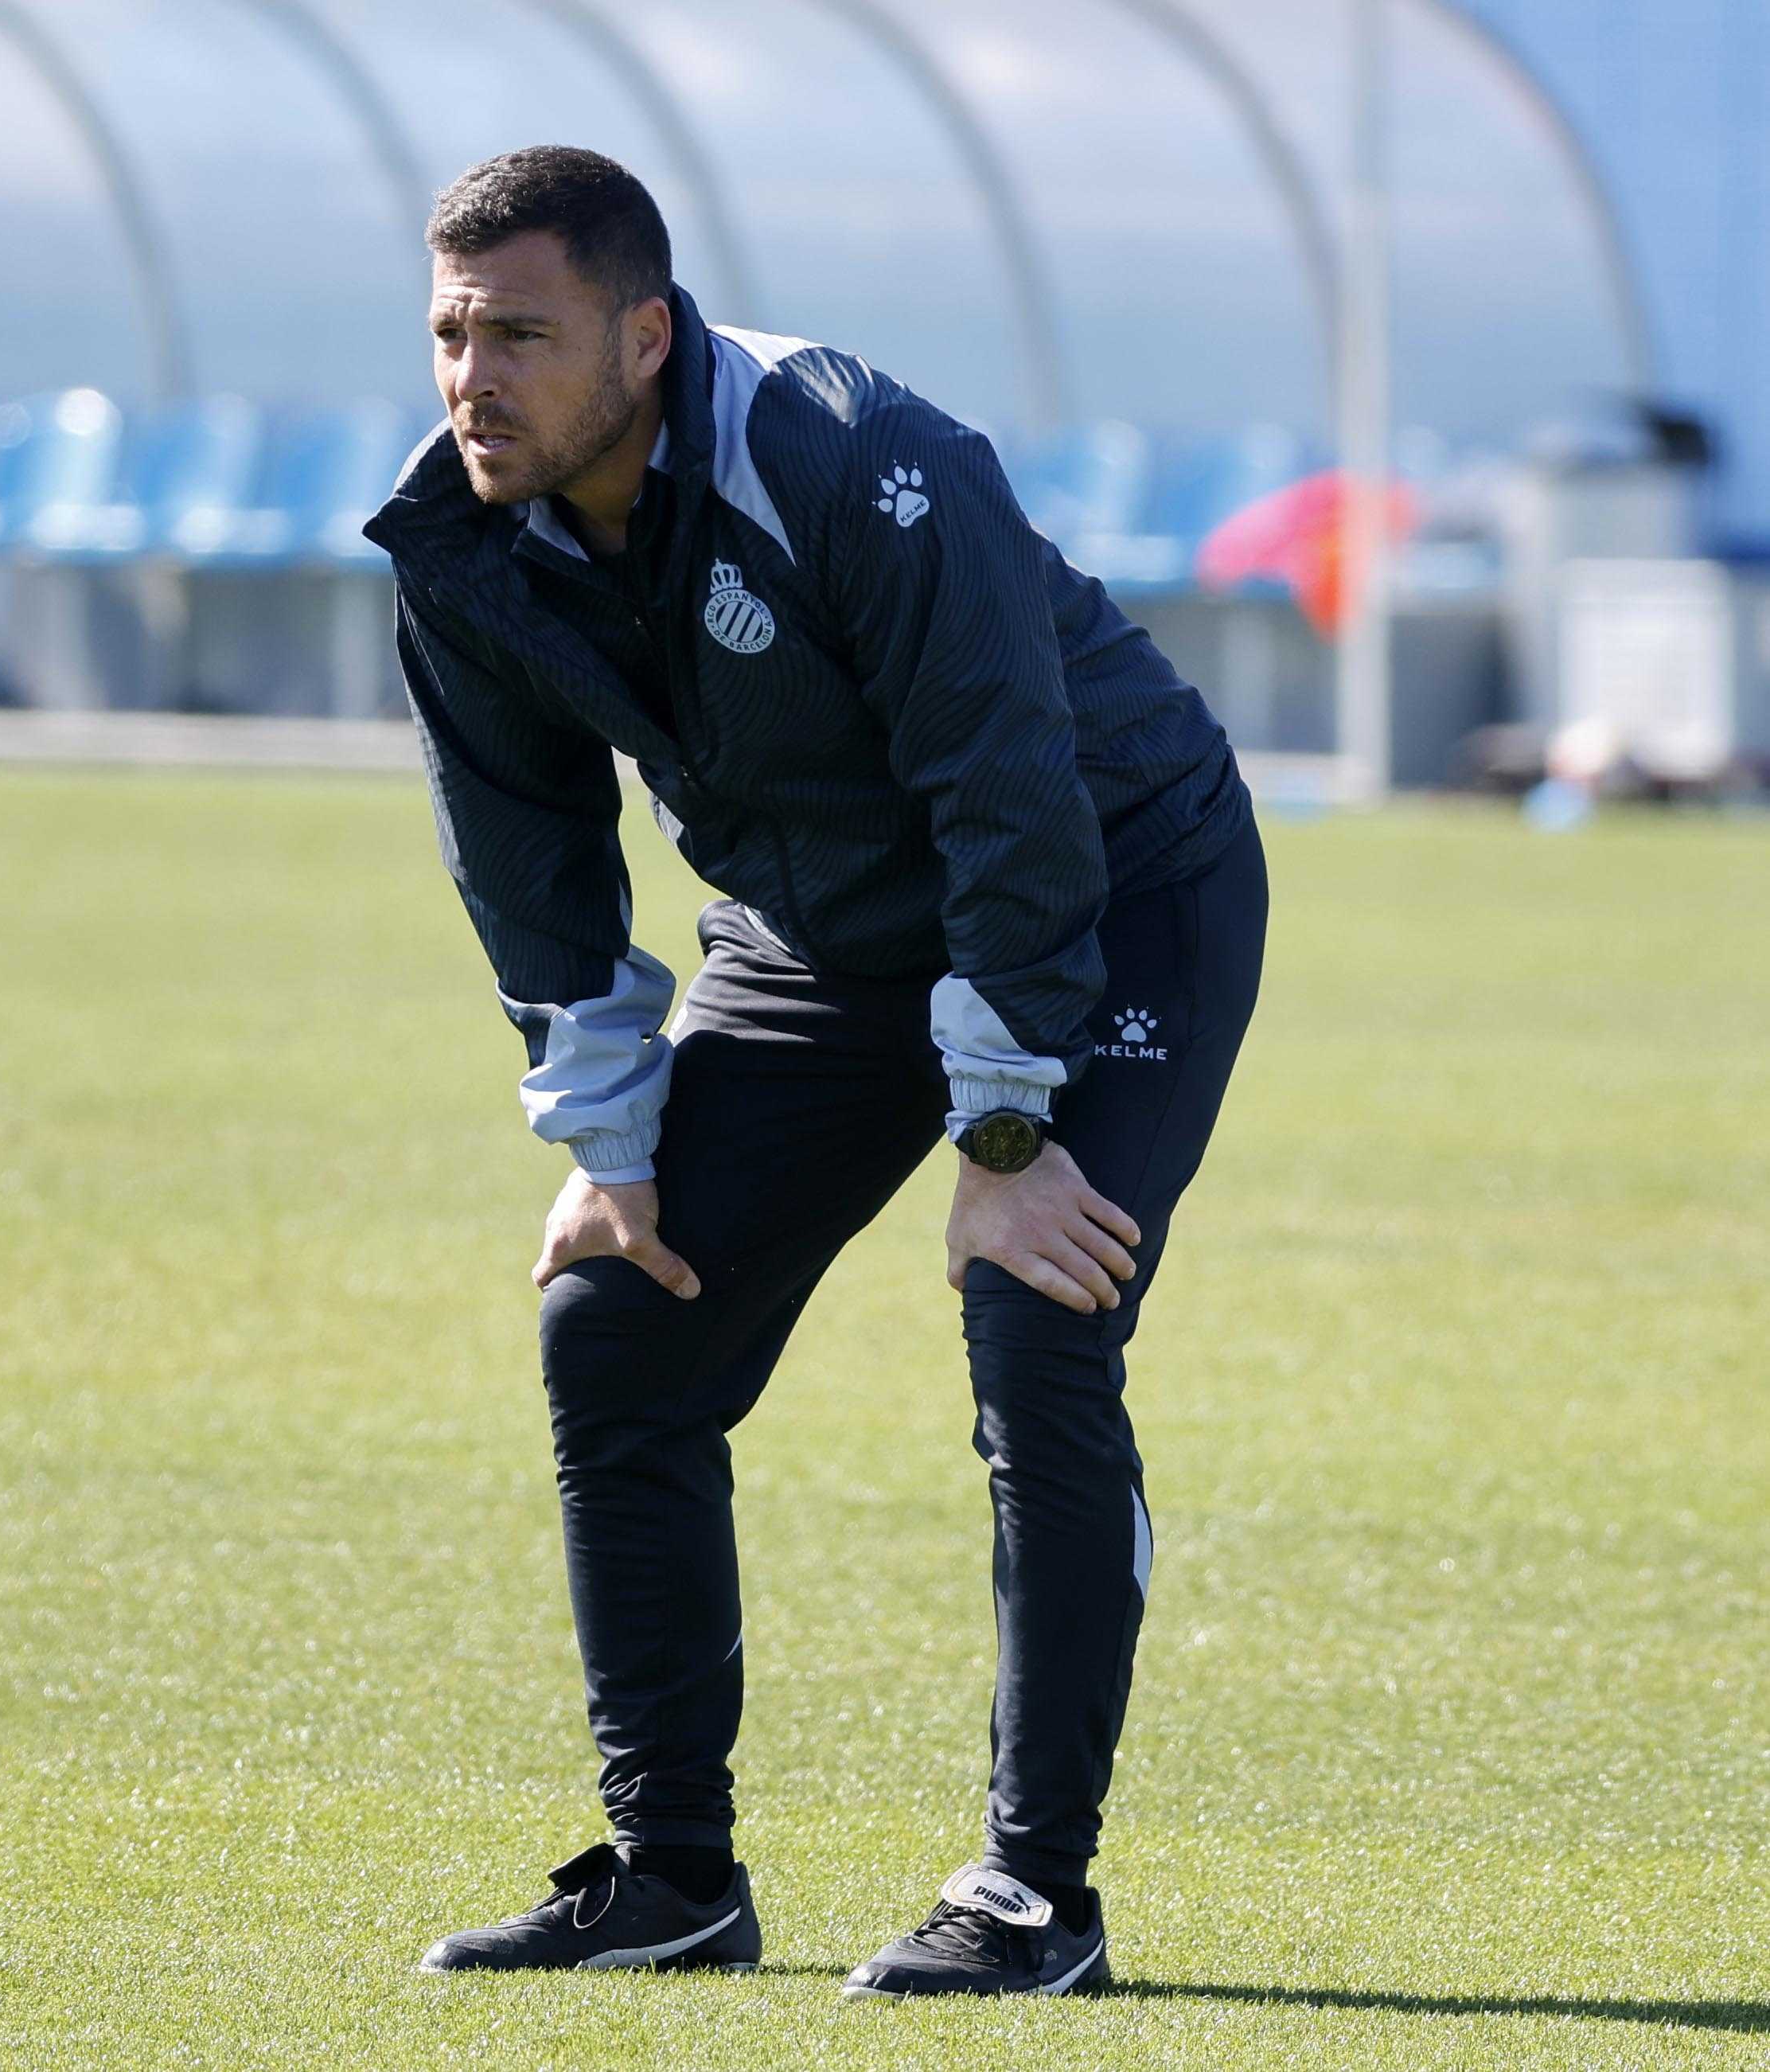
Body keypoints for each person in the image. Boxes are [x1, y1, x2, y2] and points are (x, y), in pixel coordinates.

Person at [363, 146, 1268, 2000]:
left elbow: (1010, 793)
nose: (473, 379)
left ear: (645, 337)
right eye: (451, 334)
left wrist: (1003, 1134)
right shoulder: (463, 538)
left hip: (1111, 885)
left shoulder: (855, 457)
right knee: (617, 1320)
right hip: (822, 933)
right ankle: (672, 1880)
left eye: (520, 336)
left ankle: (1035, 1897)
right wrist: (612, 1143)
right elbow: (528, 865)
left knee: (1034, 1308)